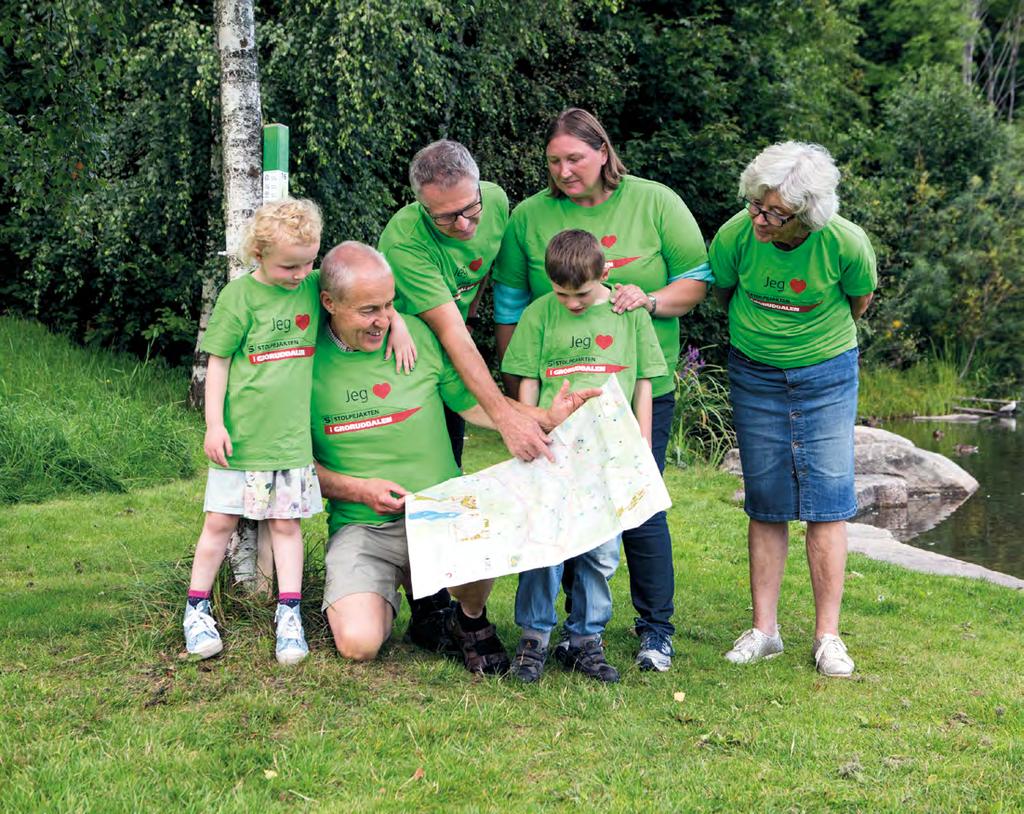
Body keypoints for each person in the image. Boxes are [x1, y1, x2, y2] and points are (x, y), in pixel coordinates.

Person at [310, 241, 599, 673]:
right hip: (364, 524)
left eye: (389, 305)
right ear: (329, 302)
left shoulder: (415, 334)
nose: (383, 321)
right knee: (358, 643)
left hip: (440, 511)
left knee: (485, 517)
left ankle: (466, 618)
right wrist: (356, 489)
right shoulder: (304, 360)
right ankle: (405, 599)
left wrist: (544, 417)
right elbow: (290, 465)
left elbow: (472, 402)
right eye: (368, 310)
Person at [492, 108, 712, 672]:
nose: (564, 170)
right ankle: (551, 633)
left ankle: (653, 631)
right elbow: (513, 301)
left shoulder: (655, 200)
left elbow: (699, 278)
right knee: (554, 506)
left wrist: (650, 300)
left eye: (575, 158)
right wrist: (527, 405)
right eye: (554, 161)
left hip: (636, 388)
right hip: (557, 400)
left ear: (604, 152)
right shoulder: (530, 216)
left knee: (637, 508)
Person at [378, 139, 554, 653]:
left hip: (448, 353)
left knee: (451, 467)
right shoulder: (405, 241)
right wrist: (506, 418)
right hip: (405, 361)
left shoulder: (495, 202)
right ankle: (427, 606)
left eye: (468, 209)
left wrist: (473, 308)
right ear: (420, 206)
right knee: (423, 471)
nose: (464, 225)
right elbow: (452, 334)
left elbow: (477, 288)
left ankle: (453, 601)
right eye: (446, 218)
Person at [709, 141, 877, 678]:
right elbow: (724, 290)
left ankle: (828, 637)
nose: (759, 217)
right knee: (767, 499)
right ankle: (765, 631)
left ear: (806, 214)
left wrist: (805, 341)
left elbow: (859, 301)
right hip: (753, 372)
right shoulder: (737, 233)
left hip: (826, 372)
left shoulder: (845, 243)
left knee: (827, 500)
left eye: (774, 212)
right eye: (756, 203)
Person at [501, 230, 666, 683]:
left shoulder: (628, 315)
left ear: (605, 274)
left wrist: (644, 447)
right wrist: (531, 430)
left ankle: (584, 641)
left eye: (582, 294)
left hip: (610, 455)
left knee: (600, 550)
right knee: (543, 546)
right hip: (553, 452)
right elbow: (528, 380)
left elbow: (647, 381)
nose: (572, 303)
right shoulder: (539, 314)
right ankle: (534, 638)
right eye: (562, 293)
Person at [184, 198, 324, 665]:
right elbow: (218, 362)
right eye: (290, 265)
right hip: (240, 441)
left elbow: (359, 304)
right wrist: (214, 424)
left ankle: (289, 616)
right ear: (259, 254)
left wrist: (399, 327)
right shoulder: (238, 297)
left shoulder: (312, 289)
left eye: (309, 262)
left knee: (286, 525)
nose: (301, 273)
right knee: (219, 523)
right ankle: (197, 609)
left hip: (289, 443)